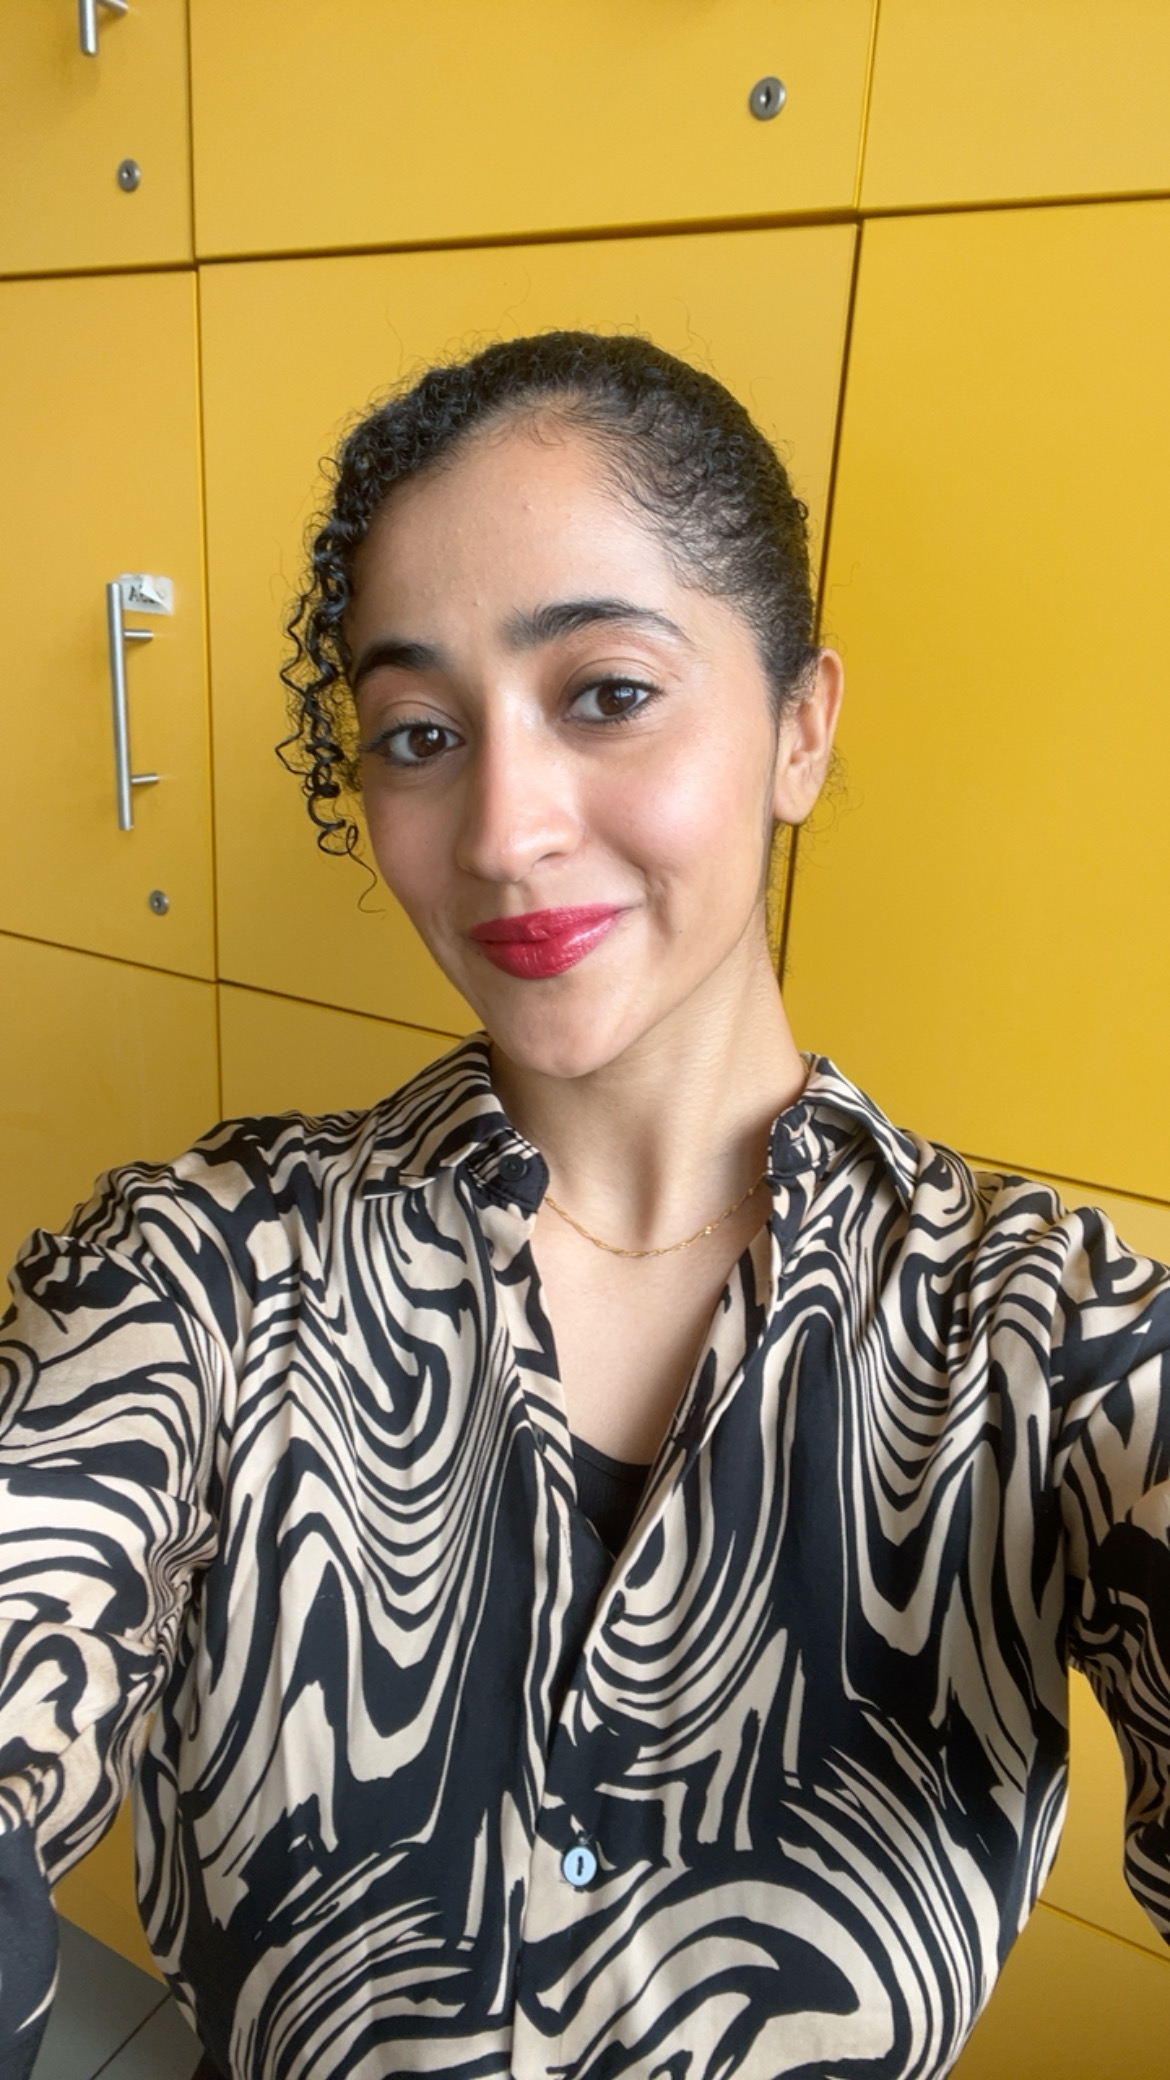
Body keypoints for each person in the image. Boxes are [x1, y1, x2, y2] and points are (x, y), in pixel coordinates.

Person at [1, 332, 1168, 2080]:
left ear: (797, 728)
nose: (501, 831)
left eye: (606, 694)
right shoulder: (203, 1267)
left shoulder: (1035, 1335)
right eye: (418, 735)